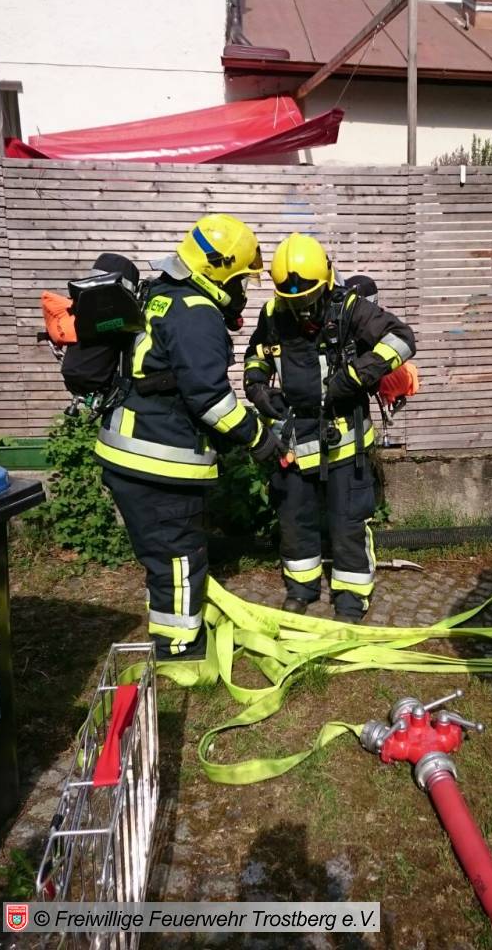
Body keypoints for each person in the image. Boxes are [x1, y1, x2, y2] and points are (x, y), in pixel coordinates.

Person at [95, 214, 282, 660]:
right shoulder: (197, 314)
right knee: (179, 557)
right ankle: (179, 650)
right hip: (158, 459)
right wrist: (260, 438)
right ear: (219, 271)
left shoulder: (161, 294)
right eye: (240, 280)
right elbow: (211, 400)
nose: (242, 289)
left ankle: (170, 625)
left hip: (131, 449)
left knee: (163, 556)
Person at [243, 232, 416, 622]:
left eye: (307, 300)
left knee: (347, 521)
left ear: (325, 283)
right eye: (293, 302)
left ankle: (351, 598)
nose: (301, 310)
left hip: (344, 440)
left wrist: (355, 376)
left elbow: (402, 340)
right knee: (294, 518)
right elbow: (257, 354)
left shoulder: (350, 308)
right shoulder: (273, 313)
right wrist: (256, 386)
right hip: (293, 438)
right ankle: (301, 589)